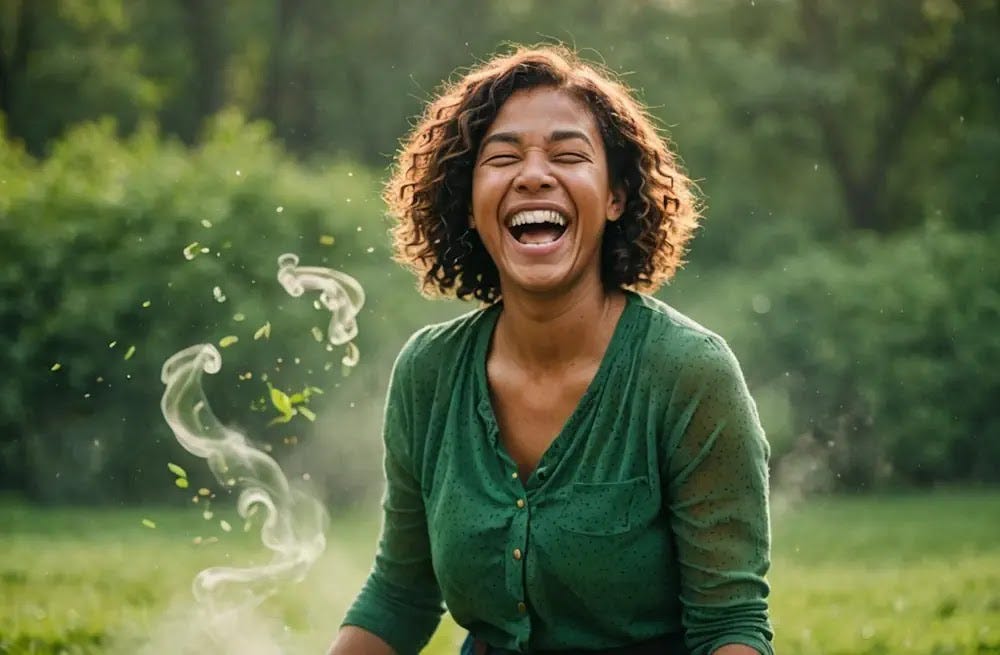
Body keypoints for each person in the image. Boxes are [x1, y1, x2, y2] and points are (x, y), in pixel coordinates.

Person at [327, 45, 773, 655]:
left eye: (568, 155)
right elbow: (399, 595)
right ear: (469, 199)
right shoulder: (429, 372)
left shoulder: (687, 373)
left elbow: (730, 627)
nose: (533, 175)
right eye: (503, 158)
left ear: (615, 197)